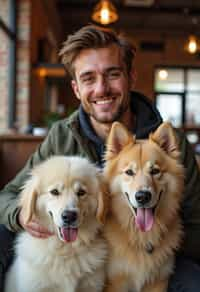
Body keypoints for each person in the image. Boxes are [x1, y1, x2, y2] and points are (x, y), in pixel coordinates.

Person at [0, 25, 200, 291]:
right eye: (88, 78)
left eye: (112, 74)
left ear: (131, 76)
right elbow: (8, 197)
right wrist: (22, 215)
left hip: (153, 254)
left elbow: (196, 224)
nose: (102, 88)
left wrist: (156, 234)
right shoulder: (62, 136)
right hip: (82, 250)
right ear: (76, 88)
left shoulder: (168, 143)